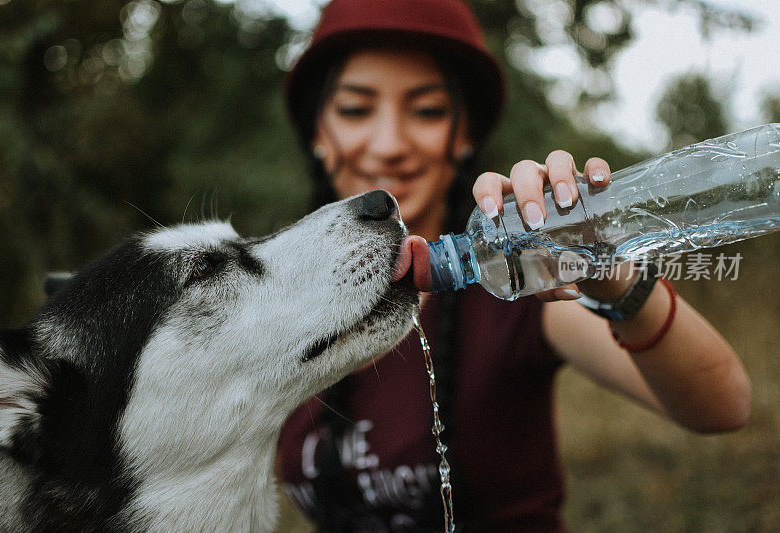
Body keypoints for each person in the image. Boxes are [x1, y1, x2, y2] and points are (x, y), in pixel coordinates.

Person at [277, 0, 751, 531]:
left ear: (463, 137)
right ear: (318, 133)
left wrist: (606, 272)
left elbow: (723, 405)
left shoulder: (522, 281)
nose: (388, 145)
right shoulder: (272, 299)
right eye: (356, 110)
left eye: (427, 111)